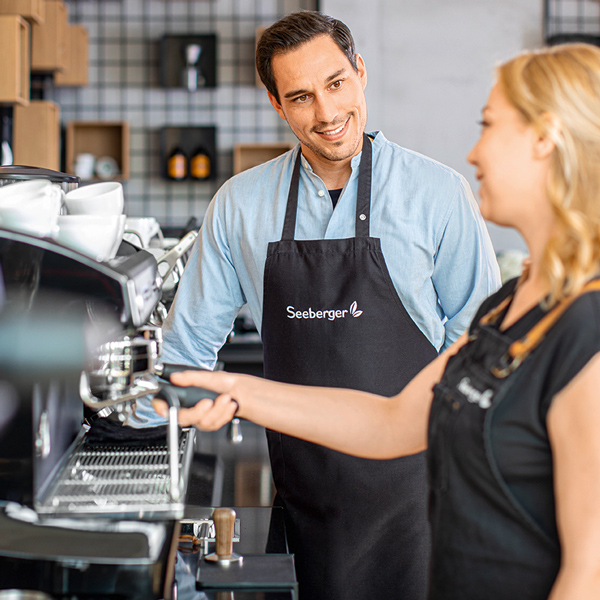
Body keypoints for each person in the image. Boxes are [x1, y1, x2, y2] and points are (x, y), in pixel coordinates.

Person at [155, 42, 600, 600]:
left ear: (547, 141)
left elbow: (590, 569)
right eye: (300, 95)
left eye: (489, 125)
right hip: (311, 493)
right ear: (277, 103)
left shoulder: (585, 324)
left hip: (422, 523)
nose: (474, 151)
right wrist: (232, 391)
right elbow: (391, 423)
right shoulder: (511, 307)